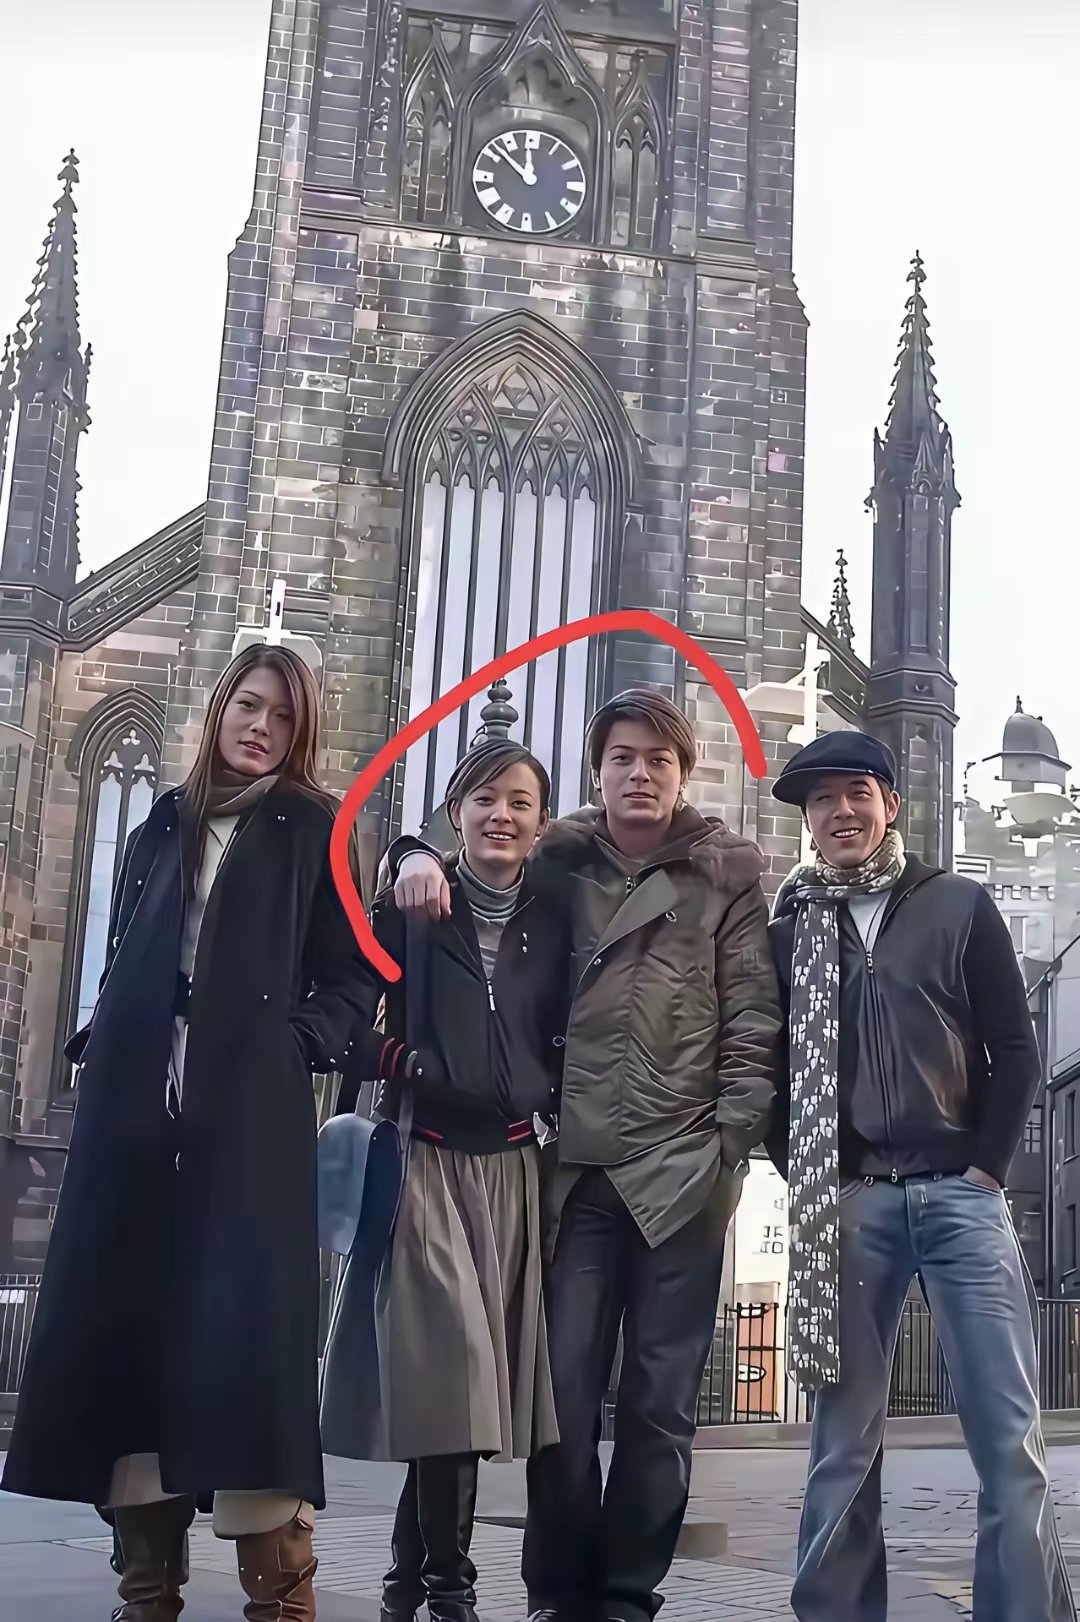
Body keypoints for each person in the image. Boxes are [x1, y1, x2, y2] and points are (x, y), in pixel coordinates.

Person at [390, 688, 781, 1622]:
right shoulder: (560, 855)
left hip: (684, 1174)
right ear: (597, 772)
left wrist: (728, 1143)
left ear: (683, 773)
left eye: (658, 759)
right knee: (559, 1401)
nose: (639, 774)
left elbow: (755, 1016)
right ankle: (557, 1595)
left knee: (659, 1408)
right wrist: (408, 851)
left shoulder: (725, 870)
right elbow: (473, 862)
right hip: (575, 1173)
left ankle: (627, 1596)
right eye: (622, 758)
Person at [2, 643, 371, 1622]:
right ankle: (146, 1593)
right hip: (133, 1118)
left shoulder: (314, 829)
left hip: (248, 1122)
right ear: (219, 708)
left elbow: (351, 977)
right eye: (249, 705)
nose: (261, 726)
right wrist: (101, 1040)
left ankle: (278, 1596)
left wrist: (292, 1045)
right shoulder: (164, 821)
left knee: (247, 1343)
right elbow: (125, 948)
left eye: (283, 716)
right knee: (129, 1338)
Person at [766, 729, 1073, 1622]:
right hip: (851, 1202)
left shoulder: (957, 903)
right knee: (841, 1444)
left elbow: (1015, 1049)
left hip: (960, 1197)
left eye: (856, 793)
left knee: (1008, 1438)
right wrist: (811, 1173)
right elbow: (771, 1066)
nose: (840, 812)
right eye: (821, 800)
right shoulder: (788, 930)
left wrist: (985, 1170)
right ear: (808, 820)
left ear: (891, 803)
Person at [320, 737, 566, 1622]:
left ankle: (402, 1585)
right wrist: (403, 1060)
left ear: (542, 823)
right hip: (424, 1159)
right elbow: (338, 1017)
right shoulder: (413, 908)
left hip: (513, 1169)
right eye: (484, 799)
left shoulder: (557, 917)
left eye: (520, 802)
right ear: (455, 812)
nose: (502, 816)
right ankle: (451, 1593)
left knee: (454, 1403)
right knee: (456, 1375)